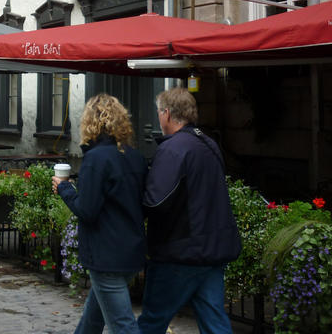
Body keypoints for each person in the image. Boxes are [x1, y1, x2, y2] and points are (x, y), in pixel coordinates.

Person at [137, 87, 242, 334]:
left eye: (159, 112)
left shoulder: (173, 148)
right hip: (211, 248)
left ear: (167, 114)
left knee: (152, 322)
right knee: (215, 323)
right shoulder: (208, 143)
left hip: (180, 251)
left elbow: (155, 201)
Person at [52, 93, 147, 334]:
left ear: (90, 122)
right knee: (92, 320)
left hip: (106, 255)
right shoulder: (134, 157)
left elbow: (87, 209)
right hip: (130, 250)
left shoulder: (96, 159)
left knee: (123, 325)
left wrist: (64, 188)